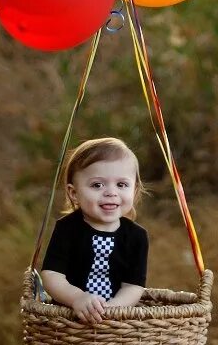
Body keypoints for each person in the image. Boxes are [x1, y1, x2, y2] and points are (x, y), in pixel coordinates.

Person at [40, 137, 149, 325]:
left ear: (135, 190)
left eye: (121, 185)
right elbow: (52, 275)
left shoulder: (136, 236)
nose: (111, 192)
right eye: (97, 185)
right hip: (69, 320)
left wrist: (114, 308)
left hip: (117, 321)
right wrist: (77, 298)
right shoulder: (67, 228)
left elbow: (133, 285)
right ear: (74, 193)